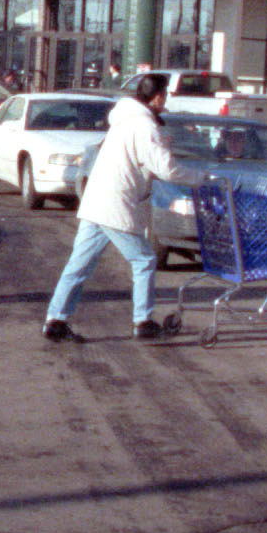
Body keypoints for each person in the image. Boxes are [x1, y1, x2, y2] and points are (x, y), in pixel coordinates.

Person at [43, 74, 184, 341]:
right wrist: (202, 179)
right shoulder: (144, 126)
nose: (166, 102)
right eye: (165, 95)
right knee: (144, 260)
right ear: (157, 97)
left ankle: (55, 319)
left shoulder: (123, 121)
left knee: (79, 265)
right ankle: (143, 321)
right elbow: (167, 169)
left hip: (96, 201)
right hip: (116, 206)